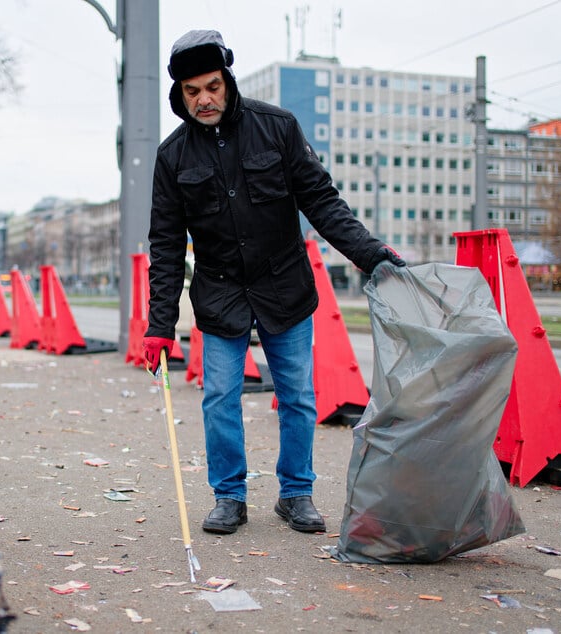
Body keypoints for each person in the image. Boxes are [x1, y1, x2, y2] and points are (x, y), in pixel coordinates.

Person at [142, 29, 405, 536]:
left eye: (212, 87)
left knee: (298, 396)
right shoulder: (172, 157)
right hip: (219, 292)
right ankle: (229, 497)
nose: (205, 99)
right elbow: (167, 246)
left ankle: (295, 494)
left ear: (227, 82)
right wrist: (159, 325)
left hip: (283, 284)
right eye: (193, 91)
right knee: (220, 397)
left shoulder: (277, 127)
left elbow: (322, 201)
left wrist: (371, 255)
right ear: (180, 95)